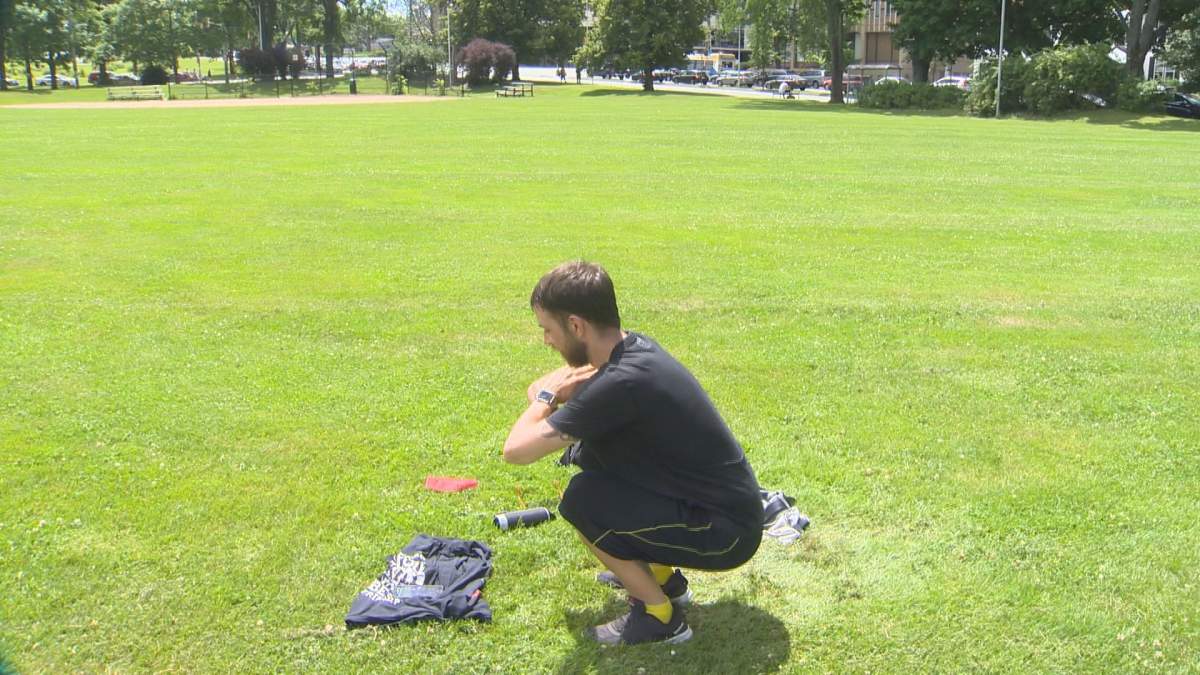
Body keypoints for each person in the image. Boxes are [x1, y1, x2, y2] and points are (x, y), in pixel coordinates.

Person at [503, 261, 764, 646]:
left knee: (583, 500)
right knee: (596, 460)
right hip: (726, 512)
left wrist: (545, 397)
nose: (546, 341)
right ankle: (663, 579)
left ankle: (659, 617)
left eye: (548, 329)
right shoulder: (634, 351)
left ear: (576, 326)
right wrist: (553, 393)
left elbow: (517, 451)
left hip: (726, 533)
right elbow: (584, 393)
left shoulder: (621, 382)